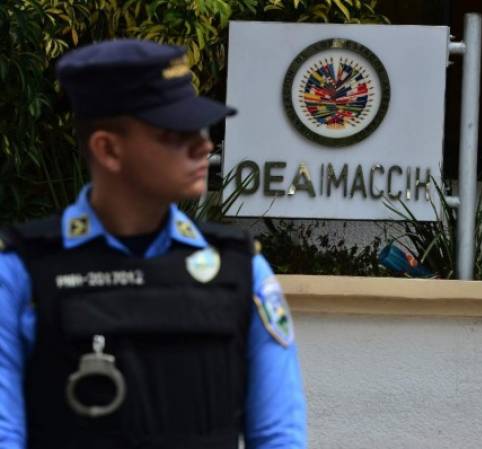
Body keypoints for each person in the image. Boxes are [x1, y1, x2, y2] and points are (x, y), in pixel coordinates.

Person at [0, 39, 306, 449]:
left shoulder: (241, 268)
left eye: (199, 129)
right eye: (175, 134)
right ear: (108, 149)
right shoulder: (22, 271)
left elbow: (277, 437)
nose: (204, 146)